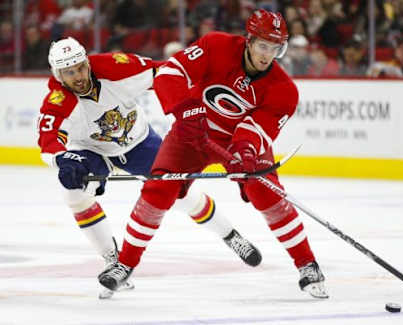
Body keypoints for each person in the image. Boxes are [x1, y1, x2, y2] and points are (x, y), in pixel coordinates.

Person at [99, 9, 328, 299]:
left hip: (236, 141)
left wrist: (245, 150)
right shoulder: (216, 46)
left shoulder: (284, 90)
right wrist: (184, 110)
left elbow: (258, 128)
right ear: (249, 40)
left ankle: (308, 264)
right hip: (191, 133)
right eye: (262, 46)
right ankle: (125, 264)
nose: (267, 55)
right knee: (157, 189)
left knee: (266, 192)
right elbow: (171, 72)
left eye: (275, 48)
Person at [37, 37, 262, 296]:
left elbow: (165, 72)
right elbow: (48, 141)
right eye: (68, 72)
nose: (77, 76)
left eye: (80, 67)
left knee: (180, 194)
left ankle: (231, 236)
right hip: (92, 151)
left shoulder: (115, 67)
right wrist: (63, 159)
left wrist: (193, 102)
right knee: (74, 193)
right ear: (58, 74)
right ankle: (113, 259)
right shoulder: (57, 101)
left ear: (87, 62)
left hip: (138, 143)